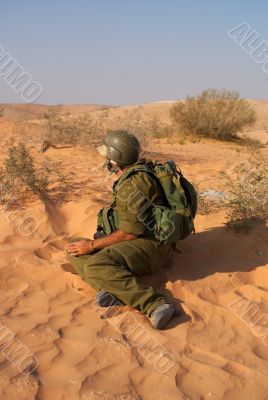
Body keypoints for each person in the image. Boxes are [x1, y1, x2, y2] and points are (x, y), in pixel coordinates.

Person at [66, 130, 178, 329]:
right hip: (140, 238)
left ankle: (155, 304)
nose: (105, 161)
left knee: (94, 265)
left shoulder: (134, 183)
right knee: (74, 248)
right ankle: (112, 288)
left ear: (115, 160)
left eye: (108, 156)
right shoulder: (134, 174)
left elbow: (130, 232)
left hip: (153, 245)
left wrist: (92, 244)